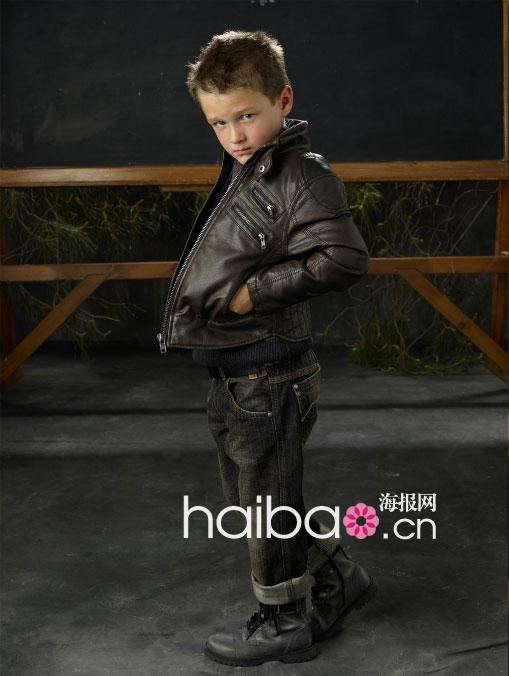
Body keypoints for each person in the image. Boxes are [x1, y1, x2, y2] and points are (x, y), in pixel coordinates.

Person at [157, 29, 376, 667]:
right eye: (219, 123)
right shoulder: (250, 165)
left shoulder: (302, 174)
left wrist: (253, 293)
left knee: (266, 508)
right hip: (238, 372)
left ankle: (283, 620)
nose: (234, 135)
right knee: (258, 499)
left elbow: (345, 258)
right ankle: (339, 577)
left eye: (247, 116)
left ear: (283, 100)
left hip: (269, 372)